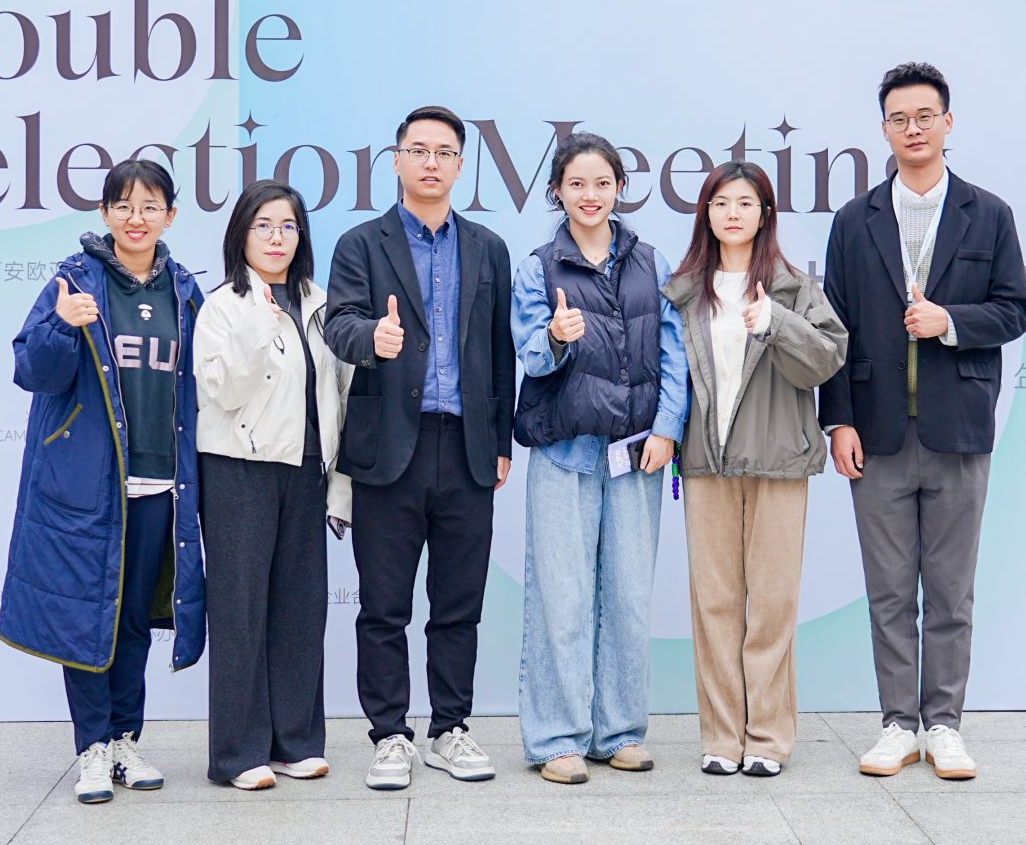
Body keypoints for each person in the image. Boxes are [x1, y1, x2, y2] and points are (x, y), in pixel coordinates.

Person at [820, 62, 1026, 781]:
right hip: (877, 433)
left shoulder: (988, 213)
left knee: (949, 590)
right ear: (883, 129)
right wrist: (838, 422)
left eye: (924, 116)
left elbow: (1015, 308)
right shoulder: (854, 221)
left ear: (948, 122)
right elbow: (835, 328)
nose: (912, 128)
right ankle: (897, 725)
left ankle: (944, 725)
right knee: (888, 592)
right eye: (898, 118)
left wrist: (950, 322)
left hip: (959, 431)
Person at [0, 158, 206, 805]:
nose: (135, 218)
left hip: (159, 485)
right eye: (123, 205)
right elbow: (32, 371)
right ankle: (91, 748)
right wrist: (62, 324)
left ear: (170, 215)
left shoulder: (185, 292)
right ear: (105, 213)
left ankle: (123, 740)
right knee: (88, 621)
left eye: (149, 206)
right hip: (88, 488)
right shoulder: (74, 281)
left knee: (135, 620)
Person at [323, 105, 517, 791]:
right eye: (418, 150)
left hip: (466, 446)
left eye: (444, 152)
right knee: (384, 606)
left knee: (458, 603)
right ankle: (389, 735)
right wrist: (371, 337)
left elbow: (499, 351)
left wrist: (500, 440)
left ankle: (450, 729)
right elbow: (338, 322)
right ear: (397, 159)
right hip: (387, 449)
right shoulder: (360, 243)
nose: (431, 162)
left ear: (461, 165)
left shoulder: (489, 248)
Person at [510, 132, 687, 785]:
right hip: (565, 452)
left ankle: (619, 732)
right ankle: (556, 737)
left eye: (602, 183)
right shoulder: (537, 268)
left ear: (619, 189)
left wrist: (667, 428)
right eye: (577, 184)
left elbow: (674, 352)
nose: (590, 195)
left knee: (629, 598)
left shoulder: (651, 262)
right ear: (557, 190)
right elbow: (530, 358)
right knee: (561, 599)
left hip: (637, 455)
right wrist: (555, 337)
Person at [664, 161, 846, 778]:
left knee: (771, 605)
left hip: (778, 464)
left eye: (745, 202)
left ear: (765, 213)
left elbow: (826, 360)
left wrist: (776, 323)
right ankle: (722, 736)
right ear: (705, 214)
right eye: (720, 203)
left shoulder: (794, 288)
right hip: (705, 465)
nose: (732, 213)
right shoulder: (683, 291)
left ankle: (767, 738)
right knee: (714, 603)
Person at [194, 180, 353, 791]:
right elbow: (224, 392)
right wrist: (261, 322)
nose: (276, 237)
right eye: (263, 225)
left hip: (306, 469)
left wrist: (341, 484)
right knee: (240, 613)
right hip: (240, 469)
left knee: (300, 610)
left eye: (288, 226)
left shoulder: (320, 301)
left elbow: (339, 396)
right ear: (241, 234)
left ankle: (296, 743)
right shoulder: (222, 306)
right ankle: (237, 754)